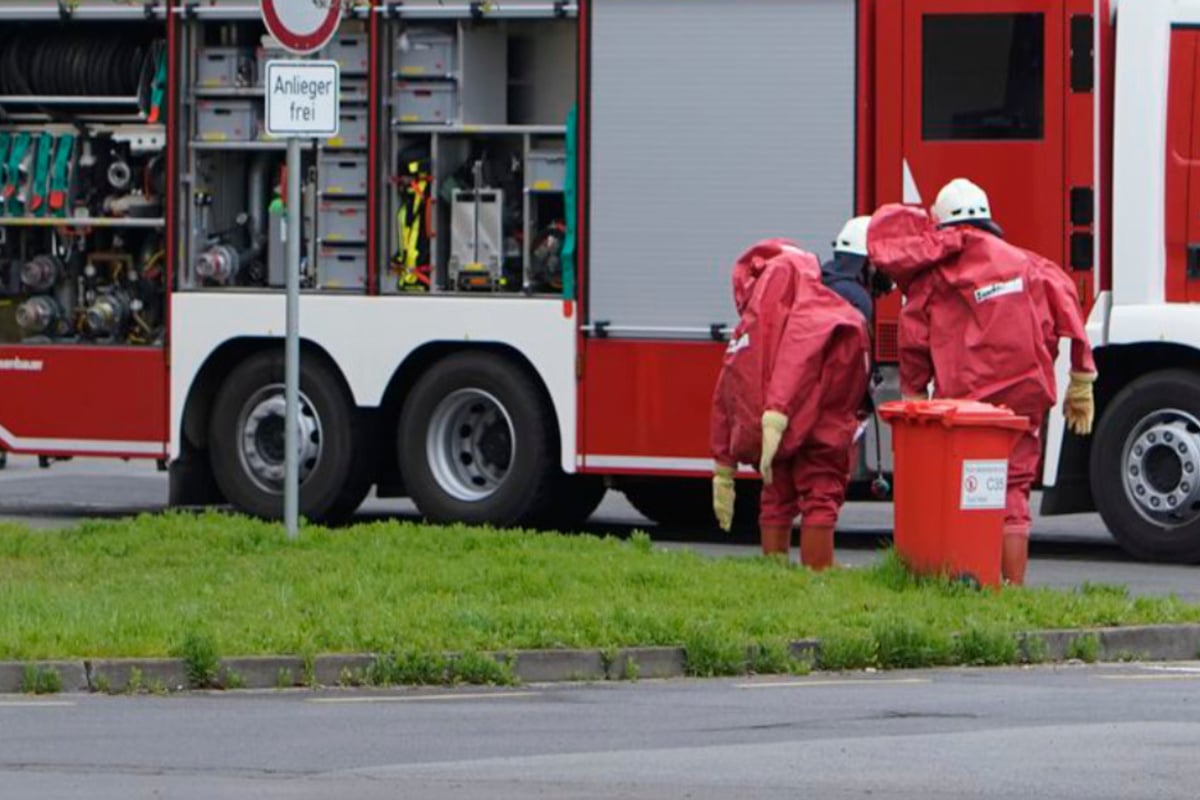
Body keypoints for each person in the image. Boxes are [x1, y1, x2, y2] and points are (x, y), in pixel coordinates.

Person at [866, 178, 1097, 585]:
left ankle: (969, 577)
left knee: (969, 495)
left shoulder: (931, 279)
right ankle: (1013, 588)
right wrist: (1081, 378)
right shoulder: (1029, 264)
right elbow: (1072, 315)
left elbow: (914, 344)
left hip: (965, 413)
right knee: (1015, 491)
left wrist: (915, 400)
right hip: (1024, 401)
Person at [709, 236, 872, 569]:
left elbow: (726, 392)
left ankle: (775, 575)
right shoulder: (827, 310)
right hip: (820, 426)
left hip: (778, 435)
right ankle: (819, 574)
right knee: (820, 497)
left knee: (776, 497)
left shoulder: (752, 327)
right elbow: (798, 364)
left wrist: (723, 467)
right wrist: (777, 416)